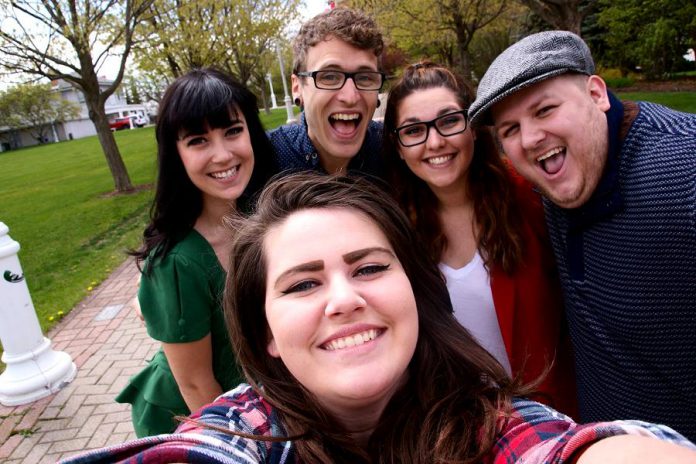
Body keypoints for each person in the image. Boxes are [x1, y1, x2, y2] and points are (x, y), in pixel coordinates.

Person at [63, 174, 696, 463]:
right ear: (265, 336)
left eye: (369, 268)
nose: (343, 299)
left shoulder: (498, 424)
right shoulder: (236, 433)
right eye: (303, 283)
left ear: (417, 293)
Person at [469, 30, 696, 441]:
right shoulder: (554, 184)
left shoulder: (684, 170)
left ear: (596, 94)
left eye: (544, 110)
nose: (531, 138)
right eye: (510, 129)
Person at [382, 61, 576, 416]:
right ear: (397, 145)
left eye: (449, 121)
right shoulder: (395, 231)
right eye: (413, 131)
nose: (435, 142)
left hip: (549, 418)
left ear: (473, 128)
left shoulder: (531, 196)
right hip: (456, 426)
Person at [115, 68, 277, 437]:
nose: (223, 154)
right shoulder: (176, 263)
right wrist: (251, 447)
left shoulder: (259, 219)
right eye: (199, 140)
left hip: (256, 400)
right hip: (199, 420)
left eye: (233, 131)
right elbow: (196, 387)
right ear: (176, 154)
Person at [268, 7, 385, 177]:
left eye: (365, 78)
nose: (350, 97)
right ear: (297, 87)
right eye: (330, 77)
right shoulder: (264, 158)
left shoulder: (392, 150)